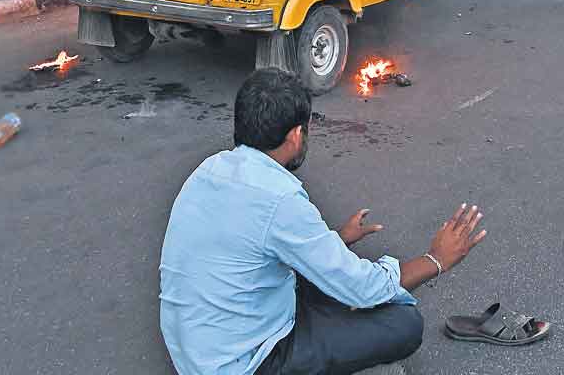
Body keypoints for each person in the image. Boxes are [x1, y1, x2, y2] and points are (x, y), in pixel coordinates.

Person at [159, 68, 487, 374]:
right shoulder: (279, 197)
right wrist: (436, 260)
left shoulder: (210, 168)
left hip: (194, 346)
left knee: (330, 277)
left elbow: (249, 242)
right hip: (239, 362)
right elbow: (363, 289)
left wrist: (335, 241)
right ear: (295, 136)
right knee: (403, 323)